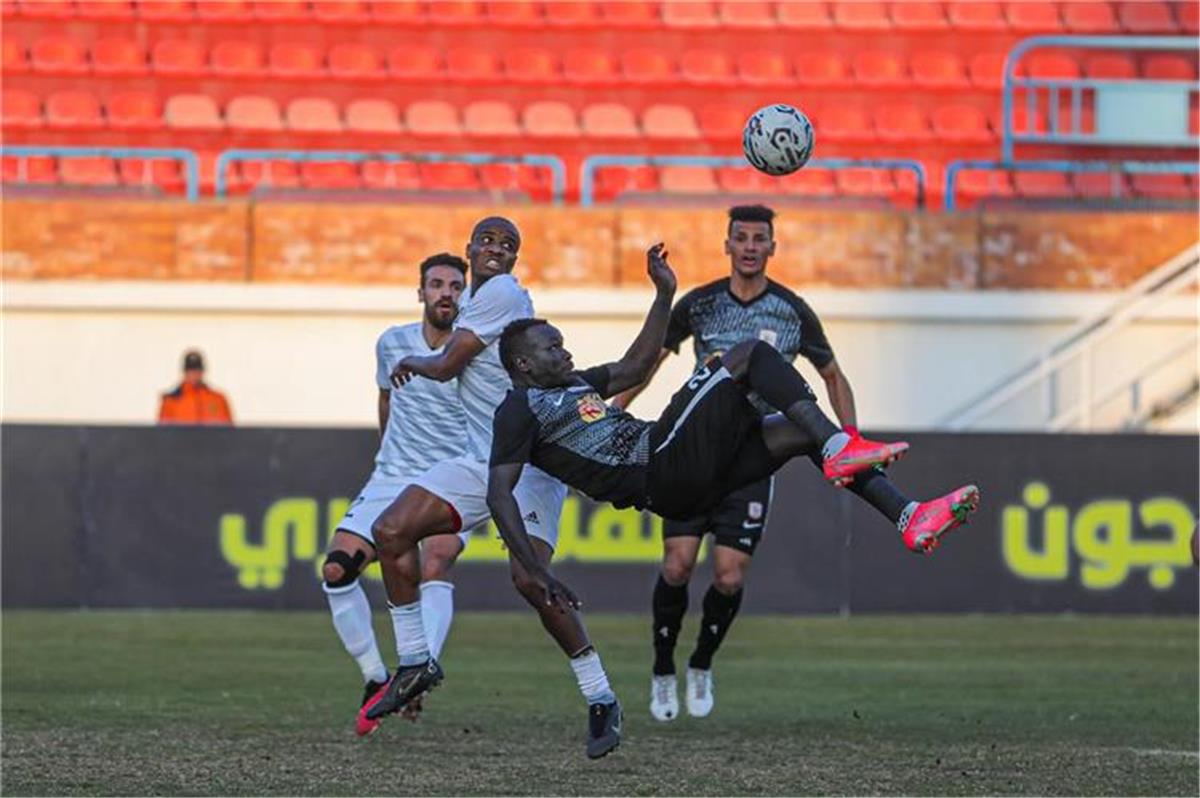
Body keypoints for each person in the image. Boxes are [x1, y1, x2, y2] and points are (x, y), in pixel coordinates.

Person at [487, 249, 981, 700]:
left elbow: (636, 366)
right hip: (659, 463)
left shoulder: (573, 384)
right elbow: (499, 495)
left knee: (796, 431)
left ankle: (908, 515)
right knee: (747, 354)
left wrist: (663, 294)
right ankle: (839, 447)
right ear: (524, 364)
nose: (566, 354)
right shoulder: (518, 410)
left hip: (685, 481)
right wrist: (536, 570)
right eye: (554, 348)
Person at [362, 217, 624, 760]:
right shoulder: (479, 301)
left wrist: (413, 360)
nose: (496, 249)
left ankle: (600, 695)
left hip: (528, 462)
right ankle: (415, 662)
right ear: (469, 250)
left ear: (514, 259)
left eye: (508, 244)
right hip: (481, 457)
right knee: (390, 530)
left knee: (531, 582)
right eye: (487, 241)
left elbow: (445, 365)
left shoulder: (501, 293)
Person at [611, 204, 859, 721]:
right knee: (677, 566)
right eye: (740, 237)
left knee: (728, 577)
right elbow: (650, 361)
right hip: (693, 453)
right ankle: (662, 668)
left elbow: (832, 374)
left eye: (758, 238)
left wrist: (850, 438)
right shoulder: (700, 305)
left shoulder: (792, 311)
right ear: (727, 246)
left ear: (772, 247)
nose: (749, 246)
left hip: (751, 457)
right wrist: (616, 411)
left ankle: (701, 662)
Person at [321, 253, 472, 737]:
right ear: (421, 291)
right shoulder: (391, 343)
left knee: (436, 561)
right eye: (437, 284)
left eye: (454, 285)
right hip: (394, 474)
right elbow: (386, 398)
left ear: (464, 294)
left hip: (452, 477)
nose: (446, 292)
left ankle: (418, 671)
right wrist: (388, 457)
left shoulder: (476, 350)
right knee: (337, 570)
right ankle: (375, 677)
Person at [157, 350, 233, 425]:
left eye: (197, 370)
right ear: (184, 372)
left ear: (202, 371)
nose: (194, 374)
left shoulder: (218, 399)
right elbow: (163, 434)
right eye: (190, 370)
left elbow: (229, 432)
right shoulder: (170, 402)